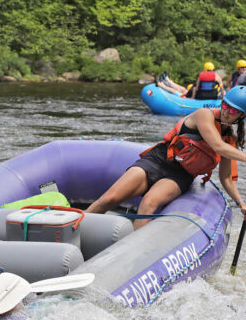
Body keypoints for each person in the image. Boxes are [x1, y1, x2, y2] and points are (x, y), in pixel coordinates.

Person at [87, 86, 246, 229]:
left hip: (181, 174)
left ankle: (132, 253)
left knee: (149, 203)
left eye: (233, 111)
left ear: (240, 116)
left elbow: (225, 178)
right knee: (110, 199)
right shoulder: (204, 114)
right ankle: (75, 226)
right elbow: (217, 146)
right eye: (225, 106)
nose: (226, 112)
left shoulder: (230, 139)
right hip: (159, 159)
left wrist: (241, 204)